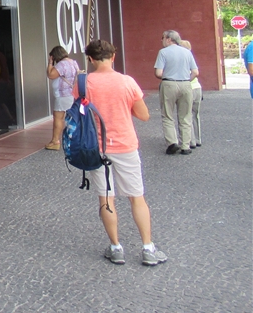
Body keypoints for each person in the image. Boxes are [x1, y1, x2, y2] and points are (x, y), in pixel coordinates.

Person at [78, 39, 168, 266]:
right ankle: (148, 248)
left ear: (90, 59)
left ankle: (116, 247)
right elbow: (144, 115)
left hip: (96, 148)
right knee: (137, 197)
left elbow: (80, 112)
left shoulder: (83, 83)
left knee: (106, 198)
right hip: (125, 145)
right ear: (113, 57)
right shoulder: (127, 82)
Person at [153, 30, 198, 155]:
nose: (161, 40)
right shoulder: (187, 52)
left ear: (168, 39)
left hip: (169, 84)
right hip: (186, 84)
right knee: (185, 115)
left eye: (162, 38)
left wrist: (167, 77)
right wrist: (187, 80)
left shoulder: (163, 52)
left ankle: (172, 142)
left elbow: (158, 73)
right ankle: (185, 146)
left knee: (167, 114)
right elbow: (195, 72)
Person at [45, 46, 79, 150]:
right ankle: (75, 139)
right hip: (72, 94)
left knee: (58, 118)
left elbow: (51, 75)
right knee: (71, 117)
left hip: (63, 95)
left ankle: (55, 141)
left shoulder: (62, 64)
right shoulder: (73, 62)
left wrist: (50, 63)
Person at [179, 40, 203, 147]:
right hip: (197, 88)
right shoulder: (191, 59)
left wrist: (186, 81)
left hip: (189, 89)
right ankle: (198, 139)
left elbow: (194, 73)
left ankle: (190, 141)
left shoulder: (182, 60)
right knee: (195, 115)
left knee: (186, 116)